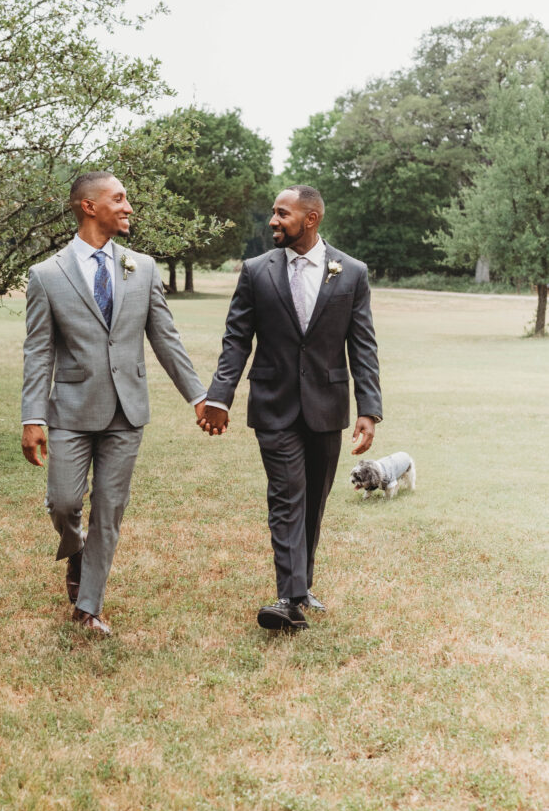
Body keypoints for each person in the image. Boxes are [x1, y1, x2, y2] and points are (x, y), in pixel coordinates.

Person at [21, 171, 206, 636]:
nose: (128, 207)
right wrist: (33, 415)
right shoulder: (47, 275)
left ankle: (89, 607)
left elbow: (165, 337)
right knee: (64, 504)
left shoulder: (142, 268)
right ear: (89, 206)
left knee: (110, 509)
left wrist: (199, 397)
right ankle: (76, 547)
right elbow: (38, 350)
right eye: (119, 199)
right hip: (71, 411)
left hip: (128, 412)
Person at [199, 185, 382, 632]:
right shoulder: (256, 271)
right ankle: (287, 599)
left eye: (282, 214)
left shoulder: (351, 273)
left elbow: (363, 346)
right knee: (286, 497)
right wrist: (219, 397)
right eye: (273, 213)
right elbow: (236, 339)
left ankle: (301, 587)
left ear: (311, 219)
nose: (273, 221)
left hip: (328, 405)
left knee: (313, 501)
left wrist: (369, 408)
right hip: (273, 405)